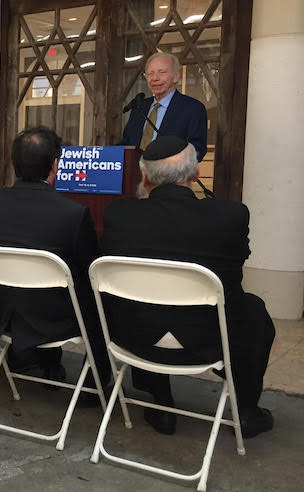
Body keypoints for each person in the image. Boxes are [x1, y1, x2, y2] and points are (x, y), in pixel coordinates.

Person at [100, 136, 275, 438]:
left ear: (144, 177)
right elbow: (235, 270)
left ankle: (161, 403)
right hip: (209, 340)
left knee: (146, 304)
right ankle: (244, 411)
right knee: (254, 310)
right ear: (195, 175)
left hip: (134, 339)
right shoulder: (231, 217)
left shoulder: (120, 215)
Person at [0, 127, 111, 391]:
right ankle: (97, 384)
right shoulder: (72, 213)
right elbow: (90, 272)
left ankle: (29, 358)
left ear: (14, 163)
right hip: (54, 319)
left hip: (2, 313)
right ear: (55, 165)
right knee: (95, 295)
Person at [120, 52, 208, 161]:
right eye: (150, 73)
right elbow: (126, 144)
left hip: (170, 175)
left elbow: (197, 150)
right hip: (134, 174)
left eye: (162, 72)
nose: (155, 78)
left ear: (176, 76)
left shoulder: (193, 109)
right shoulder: (140, 107)